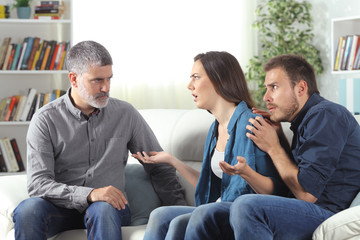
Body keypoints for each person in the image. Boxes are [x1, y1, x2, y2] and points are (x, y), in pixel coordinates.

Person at [12, 40, 186, 240]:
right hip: (60, 209)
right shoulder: (45, 120)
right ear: (74, 79)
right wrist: (90, 194)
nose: (106, 87)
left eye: (109, 79)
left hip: (109, 210)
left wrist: (182, 211)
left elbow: (159, 166)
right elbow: (38, 184)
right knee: (28, 209)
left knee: (102, 208)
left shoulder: (125, 114)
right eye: (97, 80)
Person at [184, 54, 360, 240]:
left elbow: (307, 194)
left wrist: (273, 147)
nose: (266, 97)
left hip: (325, 213)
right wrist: (279, 137)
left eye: (274, 87)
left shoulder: (325, 115)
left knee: (246, 205)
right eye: (266, 89)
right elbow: (295, 178)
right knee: (200, 215)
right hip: (306, 209)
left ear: (300, 88)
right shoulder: (305, 122)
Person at [132, 51, 287, 240]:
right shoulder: (216, 129)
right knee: (160, 215)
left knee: (185, 220)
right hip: (217, 207)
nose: (190, 86)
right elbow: (208, 186)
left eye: (196, 78)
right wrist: (172, 160)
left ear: (218, 80)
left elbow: (276, 192)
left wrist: (246, 173)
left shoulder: (253, 125)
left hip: (242, 213)